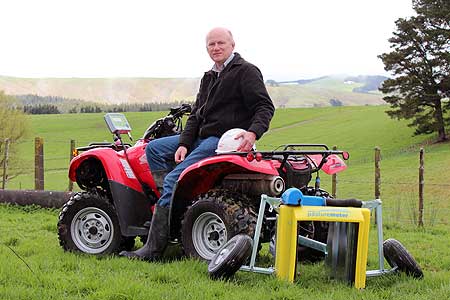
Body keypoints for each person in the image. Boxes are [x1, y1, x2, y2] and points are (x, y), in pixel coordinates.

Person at [119, 27, 275, 261]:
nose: (216, 48)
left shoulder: (246, 71)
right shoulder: (209, 76)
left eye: (221, 43)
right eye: (211, 44)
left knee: (173, 178)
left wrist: (252, 133)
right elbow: (195, 115)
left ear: (232, 44)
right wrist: (183, 143)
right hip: (201, 136)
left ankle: (153, 248)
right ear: (207, 48)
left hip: (220, 139)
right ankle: (172, 202)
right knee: (153, 149)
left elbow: (264, 107)